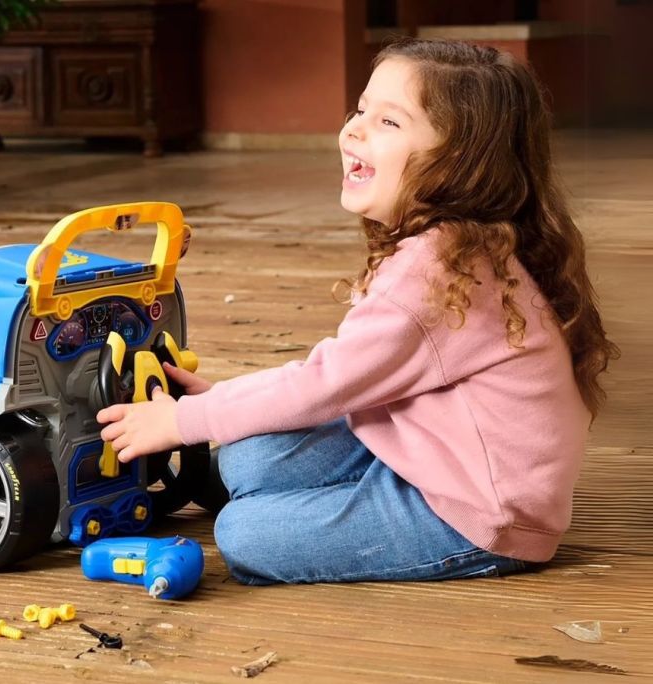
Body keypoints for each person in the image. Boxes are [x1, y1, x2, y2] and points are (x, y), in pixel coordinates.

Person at [97, 39, 620, 585]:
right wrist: (226, 401)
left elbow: (324, 386)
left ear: (459, 161)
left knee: (243, 532)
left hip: (479, 512)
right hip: (428, 446)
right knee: (244, 459)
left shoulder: (437, 272)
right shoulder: (460, 244)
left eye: (390, 123)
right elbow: (339, 377)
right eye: (361, 110)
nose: (353, 130)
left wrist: (182, 420)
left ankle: (324, 510)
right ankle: (307, 489)